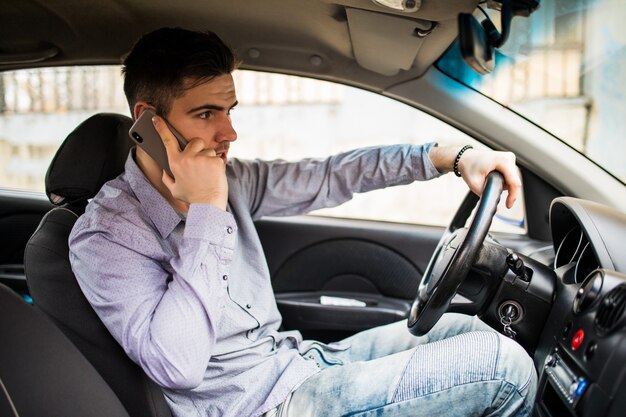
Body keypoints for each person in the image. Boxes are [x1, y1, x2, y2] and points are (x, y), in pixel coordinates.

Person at [69, 27, 536, 417]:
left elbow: (329, 175)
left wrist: (450, 157)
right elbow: (179, 366)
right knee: (502, 367)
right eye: (206, 113)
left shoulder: (230, 179)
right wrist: (207, 210)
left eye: (228, 111)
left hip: (296, 362)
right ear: (149, 121)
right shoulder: (105, 237)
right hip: (258, 407)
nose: (229, 133)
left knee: (471, 331)